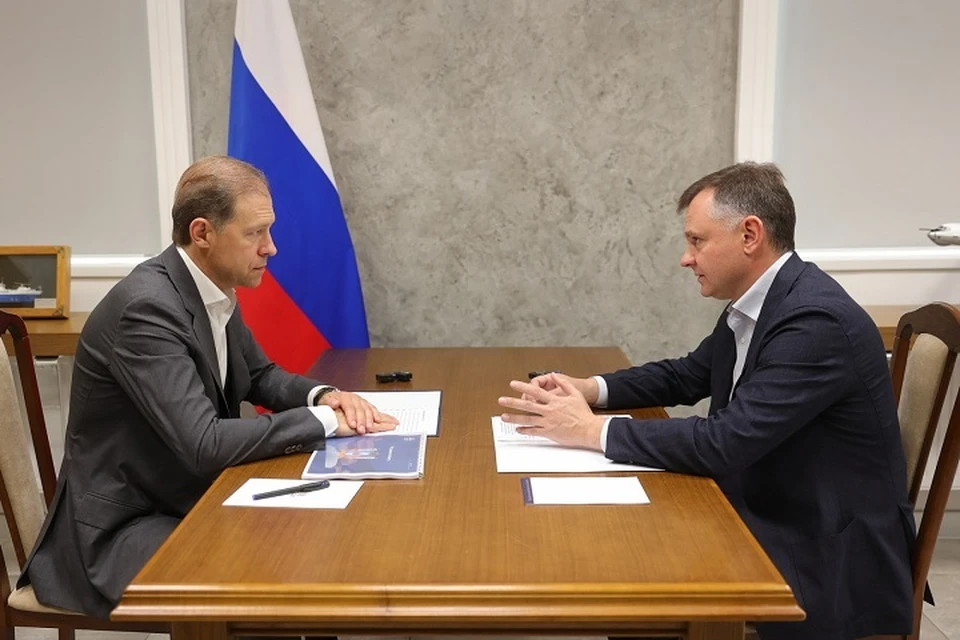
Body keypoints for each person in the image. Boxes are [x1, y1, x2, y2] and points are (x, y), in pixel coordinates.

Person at [499, 162, 917, 640]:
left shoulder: (814, 321)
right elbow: (686, 375)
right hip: (775, 505)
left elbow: (726, 441)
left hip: (825, 555)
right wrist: (589, 388)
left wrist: (590, 430)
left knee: (632, 565)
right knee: (626, 546)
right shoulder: (765, 300)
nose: (686, 258)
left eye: (697, 241)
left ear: (749, 235)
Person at [19, 156, 398, 618]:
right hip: (121, 531)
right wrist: (325, 422)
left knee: (307, 539)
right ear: (202, 233)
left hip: (183, 497)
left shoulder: (210, 287)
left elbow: (260, 375)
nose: (271, 248)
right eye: (255, 233)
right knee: (282, 566)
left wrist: (325, 396)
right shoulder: (146, 310)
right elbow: (204, 443)